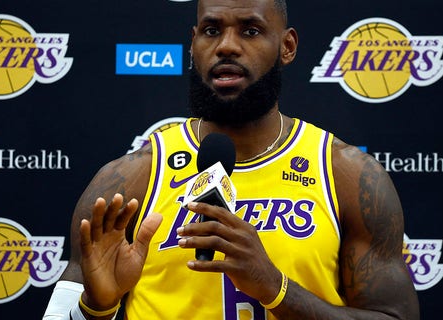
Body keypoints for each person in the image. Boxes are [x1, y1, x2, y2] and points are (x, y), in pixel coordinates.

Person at [43, 0, 420, 319]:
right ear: (193, 45)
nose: (227, 46)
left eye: (250, 31)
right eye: (211, 30)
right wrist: (97, 306)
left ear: (287, 46)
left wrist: (276, 289)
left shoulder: (347, 174)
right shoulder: (131, 179)